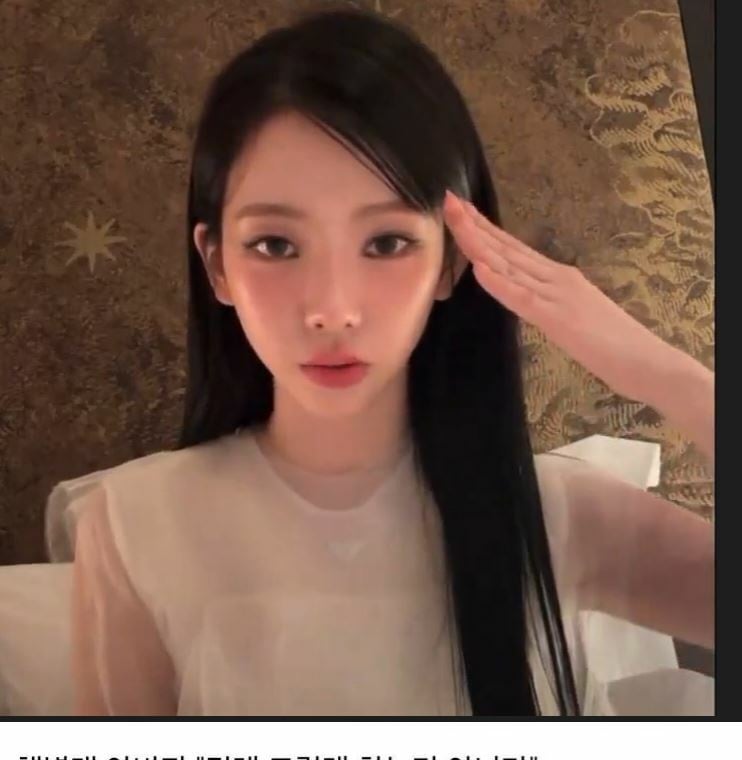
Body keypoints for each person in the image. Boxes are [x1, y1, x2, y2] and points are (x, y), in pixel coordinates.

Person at [70, 5, 714, 717]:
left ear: (451, 261)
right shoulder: (134, 526)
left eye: (386, 243)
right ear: (217, 264)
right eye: (276, 245)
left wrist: (660, 373)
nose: (332, 309)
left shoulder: (555, 513)